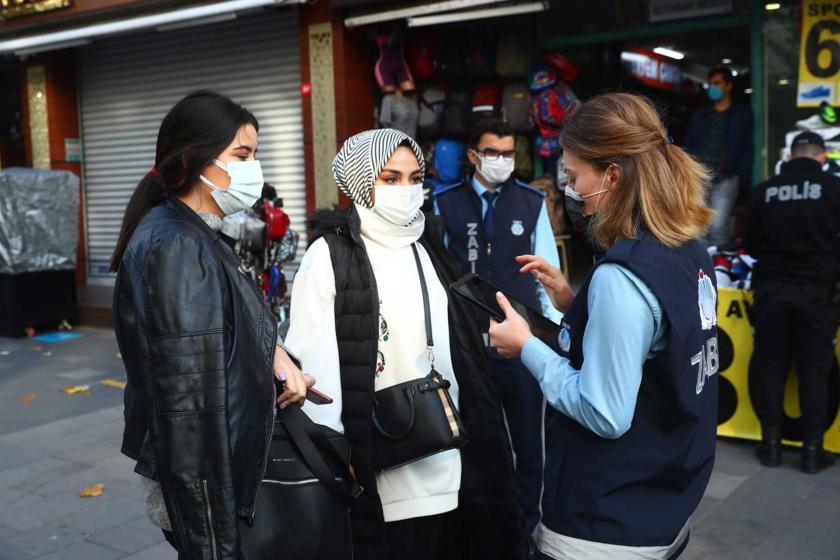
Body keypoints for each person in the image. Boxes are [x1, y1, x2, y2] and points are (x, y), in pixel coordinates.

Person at [489, 93, 718, 559]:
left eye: (574, 178)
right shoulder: (688, 250)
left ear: (612, 174)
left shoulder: (622, 276)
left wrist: (527, 346)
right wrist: (576, 303)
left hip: (602, 527)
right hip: (664, 503)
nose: (571, 192)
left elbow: (605, 413)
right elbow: (653, 346)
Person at [284, 128, 527, 560]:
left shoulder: (425, 244)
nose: (407, 191)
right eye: (390, 179)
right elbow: (314, 364)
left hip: (448, 451)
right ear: (360, 182)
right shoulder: (331, 255)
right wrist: (338, 457)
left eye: (415, 178)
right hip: (381, 458)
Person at [110, 90, 314, 557]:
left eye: (255, 155)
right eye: (241, 155)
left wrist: (274, 359)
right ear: (194, 158)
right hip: (207, 487)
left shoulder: (194, 233)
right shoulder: (179, 246)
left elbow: (218, 344)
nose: (252, 170)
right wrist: (211, 535)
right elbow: (189, 407)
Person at [434, 118, 561, 534]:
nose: (502, 161)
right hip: (465, 343)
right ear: (473, 156)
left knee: (528, 441)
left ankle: (526, 526)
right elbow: (437, 274)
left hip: (519, 341)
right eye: (493, 153)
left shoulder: (530, 202)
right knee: (469, 438)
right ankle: (476, 524)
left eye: (508, 153)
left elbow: (548, 274)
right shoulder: (445, 202)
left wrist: (554, 335)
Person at [744, 131, 840, 474]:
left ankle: (770, 445)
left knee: (769, 366)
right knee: (815, 370)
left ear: (789, 156)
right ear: (822, 158)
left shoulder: (764, 191)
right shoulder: (833, 189)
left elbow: (749, 244)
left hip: (771, 291)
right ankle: (812, 452)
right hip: (818, 294)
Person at [685, 66, 753, 247]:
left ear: (728, 85)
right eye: (710, 84)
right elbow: (689, 144)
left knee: (718, 226)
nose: (712, 87)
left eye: (717, 83)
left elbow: (748, 148)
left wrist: (739, 175)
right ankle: (701, 269)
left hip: (726, 177)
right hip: (700, 176)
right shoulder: (700, 115)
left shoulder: (742, 115)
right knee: (698, 227)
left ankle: (719, 267)